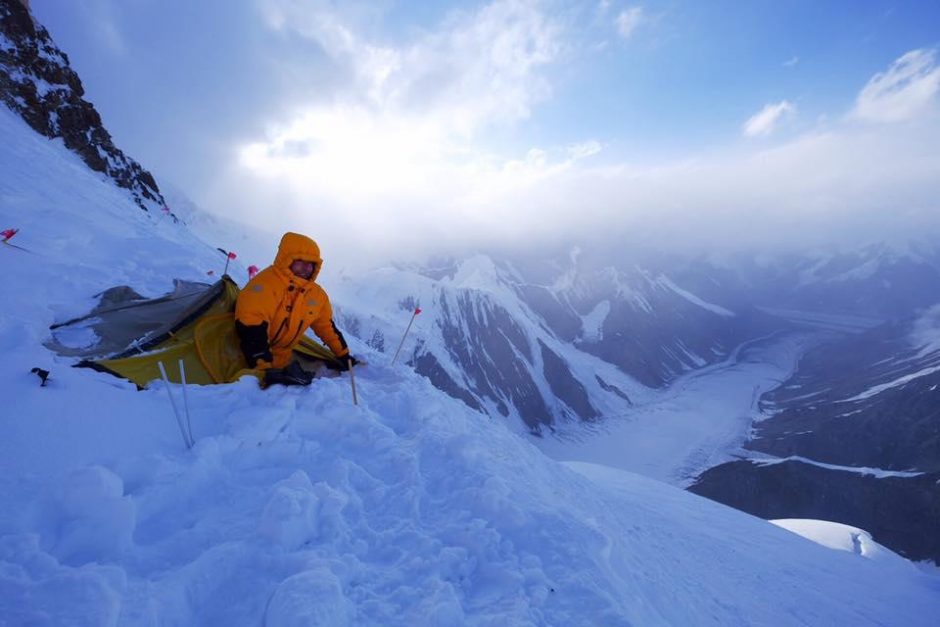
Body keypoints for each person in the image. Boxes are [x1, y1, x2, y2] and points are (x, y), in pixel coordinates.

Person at [234, 232, 356, 383]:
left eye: (310, 263)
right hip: (247, 361)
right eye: (300, 261)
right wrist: (263, 367)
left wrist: (344, 355)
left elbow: (326, 327)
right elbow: (251, 324)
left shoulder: (317, 296)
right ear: (286, 259)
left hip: (282, 361)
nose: (305, 268)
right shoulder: (265, 284)